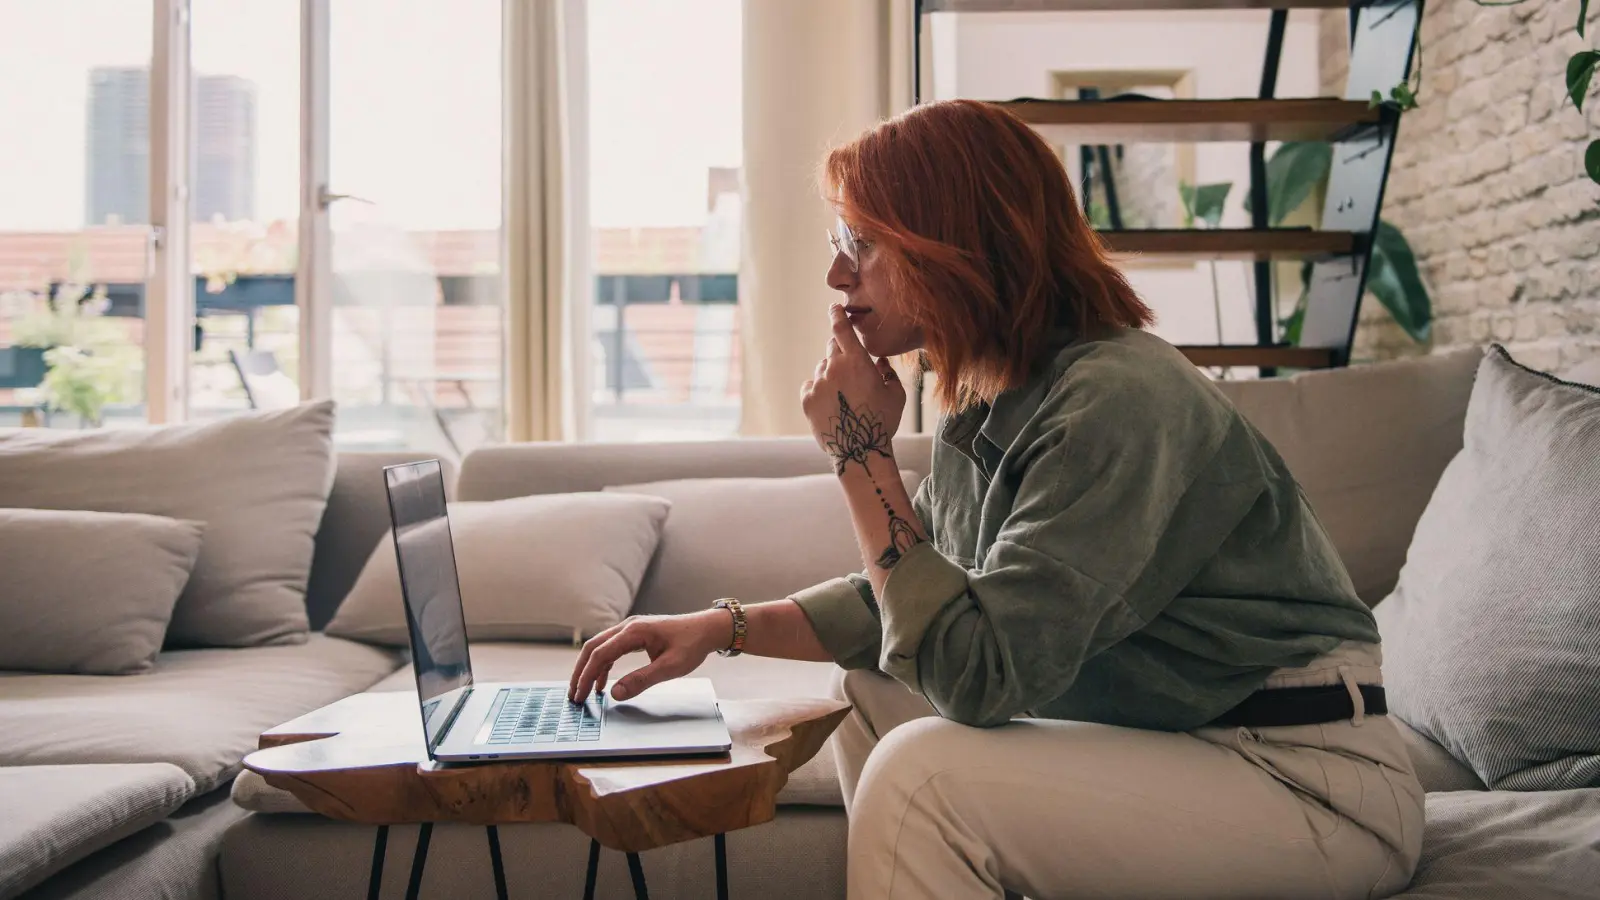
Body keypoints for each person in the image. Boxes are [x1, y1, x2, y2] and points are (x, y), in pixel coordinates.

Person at [567, 99, 1424, 900]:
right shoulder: (998, 400)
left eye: (861, 241)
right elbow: (903, 605)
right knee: (873, 690)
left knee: (922, 781)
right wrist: (724, 630)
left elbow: (978, 676)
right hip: (1187, 743)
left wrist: (859, 456)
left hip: (1305, 775)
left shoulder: (1118, 401)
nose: (836, 272)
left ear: (955, 245)